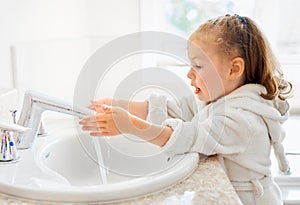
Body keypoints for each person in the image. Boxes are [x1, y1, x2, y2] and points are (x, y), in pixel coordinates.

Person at [79, 14, 293, 204]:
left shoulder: (243, 120)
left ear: (233, 69)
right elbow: (176, 109)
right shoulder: (217, 100)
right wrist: (120, 105)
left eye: (198, 66)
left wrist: (132, 125)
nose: (190, 74)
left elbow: (190, 137)